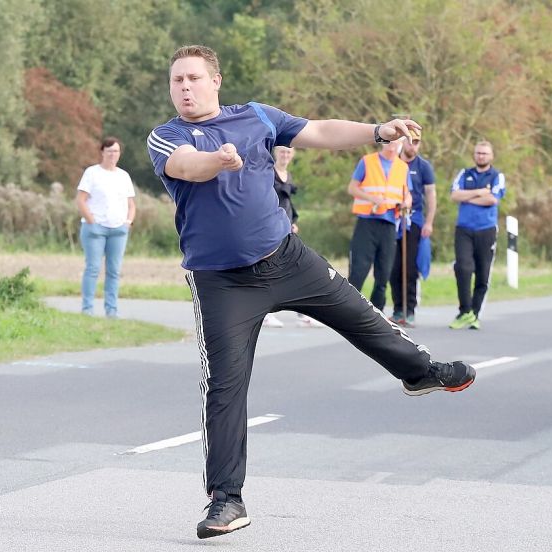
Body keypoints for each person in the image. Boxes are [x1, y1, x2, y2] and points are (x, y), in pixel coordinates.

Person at [146, 44, 475, 540]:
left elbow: (318, 130)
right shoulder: (167, 136)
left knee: (361, 317)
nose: (185, 88)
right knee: (225, 388)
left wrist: (377, 131)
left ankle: (421, 373)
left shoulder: (256, 115)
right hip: (221, 282)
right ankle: (227, 501)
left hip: (286, 258)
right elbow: (189, 167)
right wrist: (218, 160)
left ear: (216, 80)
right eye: (177, 81)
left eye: (193, 78)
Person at [263, 145, 324, 328]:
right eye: (282, 151)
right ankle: (264, 314)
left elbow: (287, 203)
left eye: (288, 152)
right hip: (271, 229)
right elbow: (267, 201)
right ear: (275, 153)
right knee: (270, 271)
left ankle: (303, 312)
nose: (285, 155)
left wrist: (292, 221)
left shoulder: (287, 175)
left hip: (287, 229)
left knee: (296, 269)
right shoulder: (268, 173)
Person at [346, 141, 410, 312]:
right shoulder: (367, 161)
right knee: (359, 270)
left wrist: (406, 203)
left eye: (396, 144)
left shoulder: (403, 168)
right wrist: (371, 198)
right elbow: (352, 188)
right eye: (389, 143)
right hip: (367, 221)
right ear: (383, 143)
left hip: (389, 224)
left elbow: (407, 194)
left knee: (384, 273)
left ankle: (376, 312)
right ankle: (346, 309)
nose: (392, 147)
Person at [75, 137, 136, 318]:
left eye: (116, 151)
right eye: (109, 151)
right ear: (102, 152)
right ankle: (87, 309)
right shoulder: (92, 173)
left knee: (114, 271)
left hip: (118, 229)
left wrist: (128, 222)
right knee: (93, 268)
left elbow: (131, 204)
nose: (112, 155)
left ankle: (111, 310)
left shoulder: (123, 176)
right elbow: (81, 200)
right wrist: (91, 221)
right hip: (96, 229)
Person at [448, 140, 505, 330]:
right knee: (463, 268)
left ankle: (475, 313)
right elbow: (455, 196)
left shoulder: (497, 176)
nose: (481, 156)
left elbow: (492, 200)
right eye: (478, 153)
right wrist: (479, 192)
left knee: (483, 273)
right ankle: (465, 311)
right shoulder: (465, 173)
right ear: (474, 155)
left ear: (491, 156)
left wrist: (468, 197)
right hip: (464, 229)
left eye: (485, 153)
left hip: (486, 229)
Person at [389, 134, 436, 327]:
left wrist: (429, 222)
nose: (412, 146)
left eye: (416, 142)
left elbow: (431, 195)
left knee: (409, 267)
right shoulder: (392, 163)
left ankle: (410, 310)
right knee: (394, 267)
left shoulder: (423, 166)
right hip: (391, 219)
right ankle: (397, 309)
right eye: (409, 141)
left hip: (413, 220)